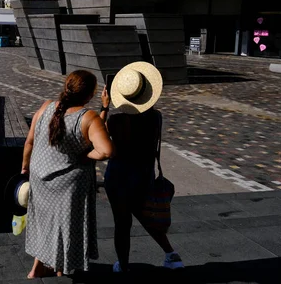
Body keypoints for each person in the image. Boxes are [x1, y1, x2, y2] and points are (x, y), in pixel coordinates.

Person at [21, 70, 114, 278]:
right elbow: (106, 150)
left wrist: (24, 168)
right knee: (63, 225)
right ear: (90, 95)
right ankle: (60, 267)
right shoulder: (88, 117)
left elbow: (29, 141)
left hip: (40, 177)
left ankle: (38, 267)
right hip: (67, 185)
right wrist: (86, 155)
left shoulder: (46, 107)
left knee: (45, 221)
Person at [104, 62, 184, 273]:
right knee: (145, 214)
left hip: (119, 176)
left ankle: (123, 264)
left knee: (122, 223)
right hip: (143, 175)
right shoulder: (156, 117)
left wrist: (104, 107)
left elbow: (100, 140)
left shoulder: (115, 121)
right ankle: (170, 254)